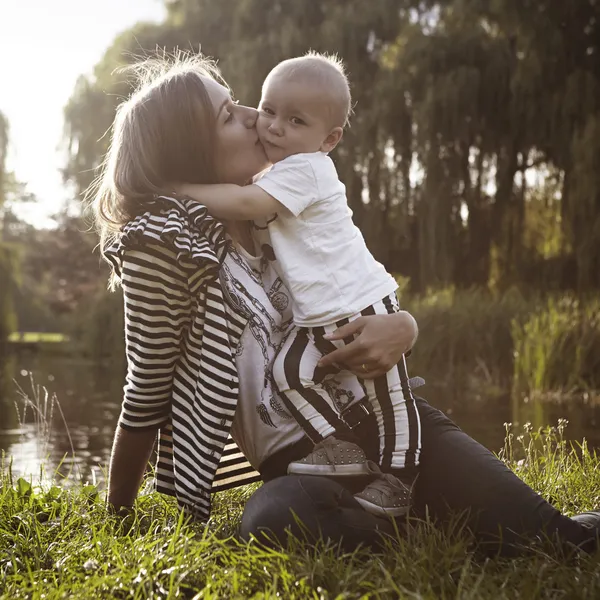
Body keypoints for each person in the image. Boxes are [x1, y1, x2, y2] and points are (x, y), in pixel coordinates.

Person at [99, 53, 600, 556]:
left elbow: (358, 286)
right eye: (228, 115)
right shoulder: (169, 245)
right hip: (309, 463)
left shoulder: (283, 216)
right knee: (272, 518)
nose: (254, 115)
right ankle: (436, 527)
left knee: (558, 543)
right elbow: (148, 384)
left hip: (384, 422)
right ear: (187, 152)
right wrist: (118, 517)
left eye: (237, 103)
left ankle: (490, 524)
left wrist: (403, 325)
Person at [175, 52, 419, 518]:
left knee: (388, 394)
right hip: (319, 315)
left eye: (295, 120)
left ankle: (401, 476)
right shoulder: (278, 177)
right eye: (268, 110)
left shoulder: (307, 170)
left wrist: (182, 189)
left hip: (357, 301)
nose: (273, 127)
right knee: (292, 373)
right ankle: (337, 446)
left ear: (328, 140)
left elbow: (246, 202)